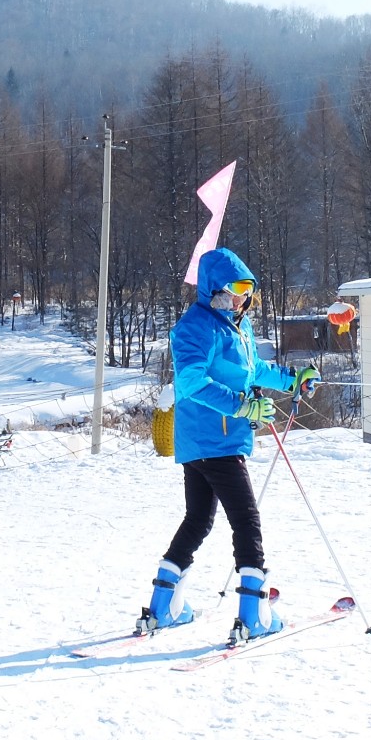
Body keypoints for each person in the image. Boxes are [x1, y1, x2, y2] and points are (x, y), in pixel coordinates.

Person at [141, 247, 319, 643]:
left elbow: (254, 369)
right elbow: (190, 382)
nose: (244, 296)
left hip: (214, 441)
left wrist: (292, 380)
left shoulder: (237, 327)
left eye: (248, 288)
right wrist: (244, 406)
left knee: (199, 520)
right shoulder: (196, 326)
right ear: (214, 288)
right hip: (213, 439)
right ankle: (253, 615)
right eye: (237, 287)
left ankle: (163, 606)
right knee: (246, 521)